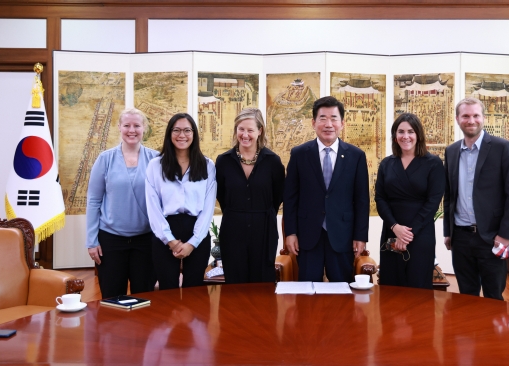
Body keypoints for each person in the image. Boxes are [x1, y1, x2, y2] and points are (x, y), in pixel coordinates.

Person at [283, 96, 369, 282]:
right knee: (307, 292)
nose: (328, 124)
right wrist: (290, 233)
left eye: (333, 118)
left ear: (342, 123)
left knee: (342, 293)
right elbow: (290, 198)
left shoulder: (356, 156)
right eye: (322, 118)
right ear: (314, 123)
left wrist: (360, 236)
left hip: (342, 235)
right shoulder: (299, 154)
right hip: (307, 236)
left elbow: (362, 200)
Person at [443, 97, 509, 300]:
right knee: (466, 296)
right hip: (460, 237)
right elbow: (450, 194)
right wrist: (448, 232)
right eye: (466, 116)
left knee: (493, 296)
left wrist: (505, 235)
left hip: (491, 237)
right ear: (457, 119)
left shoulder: (502, 147)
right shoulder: (451, 152)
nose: (471, 120)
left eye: (476, 115)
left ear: (484, 118)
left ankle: (493, 333)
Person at [86, 108, 158, 298]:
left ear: (144, 128)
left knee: (144, 298)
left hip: (146, 242)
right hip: (110, 241)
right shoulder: (105, 159)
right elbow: (94, 201)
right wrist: (91, 241)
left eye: (137, 125)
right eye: (127, 125)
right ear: (119, 127)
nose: (131, 130)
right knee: (112, 298)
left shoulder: (156, 159)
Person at [145, 113, 217, 290]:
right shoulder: (156, 166)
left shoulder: (207, 165)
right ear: (169, 134)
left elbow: (208, 208)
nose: (181, 135)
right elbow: (153, 207)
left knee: (195, 292)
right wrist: (170, 241)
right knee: (167, 290)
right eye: (176, 130)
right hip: (165, 234)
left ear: (194, 134)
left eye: (187, 130)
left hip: (197, 233)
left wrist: (192, 243)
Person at [375, 113, 445, 289]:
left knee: (418, 286)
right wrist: (395, 227)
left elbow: (433, 202)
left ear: (418, 135)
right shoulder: (386, 164)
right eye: (401, 131)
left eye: (410, 131)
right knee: (391, 285)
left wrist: (407, 234)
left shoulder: (433, 163)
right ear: (395, 135)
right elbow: (380, 198)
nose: (405, 136)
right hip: (391, 231)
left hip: (421, 233)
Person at [215, 108, 285, 283]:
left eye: (250, 130)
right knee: (234, 286)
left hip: (264, 230)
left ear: (260, 131)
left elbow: (278, 196)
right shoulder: (223, 161)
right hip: (233, 230)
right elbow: (221, 195)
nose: (245, 135)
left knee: (262, 286)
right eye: (241, 129)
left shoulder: (273, 161)